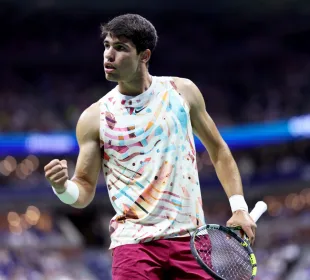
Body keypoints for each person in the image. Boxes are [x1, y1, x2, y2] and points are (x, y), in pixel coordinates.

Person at [44, 14, 256, 280]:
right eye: (107, 46)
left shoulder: (182, 93)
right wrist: (62, 187)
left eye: (120, 48)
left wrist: (239, 208)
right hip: (133, 245)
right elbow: (84, 190)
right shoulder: (94, 117)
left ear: (144, 55)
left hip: (191, 242)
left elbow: (219, 151)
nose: (108, 55)